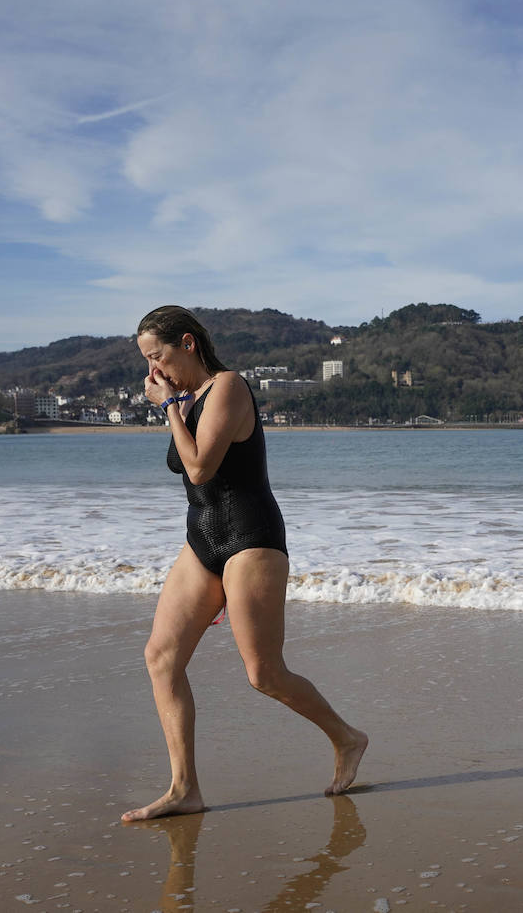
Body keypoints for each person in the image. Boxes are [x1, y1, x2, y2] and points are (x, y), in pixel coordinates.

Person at [122, 305, 367, 822]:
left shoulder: (228, 387)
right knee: (161, 658)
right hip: (202, 541)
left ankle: (347, 738)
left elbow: (199, 467)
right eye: (146, 361)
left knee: (264, 674)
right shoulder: (187, 399)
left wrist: (168, 409)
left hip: (251, 539)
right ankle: (184, 789)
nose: (152, 370)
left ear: (187, 344)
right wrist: (176, 405)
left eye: (157, 355)